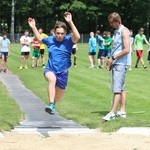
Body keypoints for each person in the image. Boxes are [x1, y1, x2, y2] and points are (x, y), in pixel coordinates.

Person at [28, 12, 80, 114]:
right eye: (58, 33)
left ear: (65, 33)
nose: (60, 35)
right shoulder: (50, 40)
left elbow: (77, 37)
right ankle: (51, 104)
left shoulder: (69, 40)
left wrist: (70, 21)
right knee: (52, 79)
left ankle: (54, 103)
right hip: (50, 69)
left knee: (59, 97)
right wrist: (34, 27)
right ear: (54, 33)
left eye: (62, 33)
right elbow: (39, 39)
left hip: (63, 72)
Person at [103, 12, 130, 121]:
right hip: (116, 63)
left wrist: (113, 58)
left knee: (117, 88)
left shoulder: (124, 31)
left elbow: (126, 49)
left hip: (121, 63)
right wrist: (111, 60)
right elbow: (116, 48)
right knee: (122, 87)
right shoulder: (116, 31)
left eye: (112, 22)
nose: (110, 25)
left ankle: (113, 112)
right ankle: (122, 111)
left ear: (117, 21)